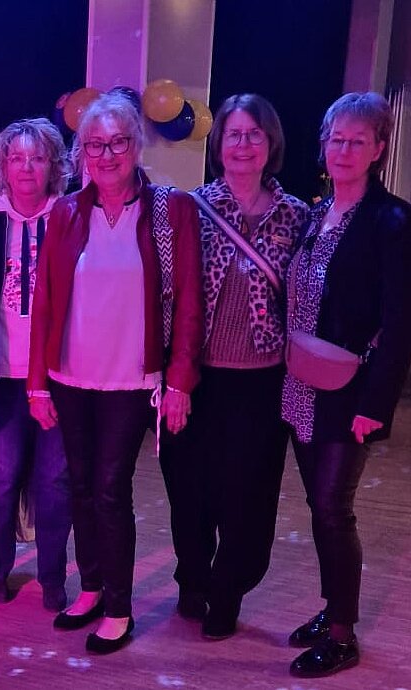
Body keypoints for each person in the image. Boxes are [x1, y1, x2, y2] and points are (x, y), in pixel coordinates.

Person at [28, 92, 204, 654]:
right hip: (70, 376)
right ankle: (92, 586)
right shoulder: (65, 212)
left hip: (132, 380)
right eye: (95, 145)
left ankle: (119, 608)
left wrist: (180, 381)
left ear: (137, 145)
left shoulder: (170, 210)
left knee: (108, 489)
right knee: (80, 487)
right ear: (81, 153)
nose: (106, 155)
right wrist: (37, 382)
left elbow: (190, 301)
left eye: (118, 143)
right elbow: (44, 301)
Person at [158, 94, 309, 639]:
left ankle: (227, 591)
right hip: (196, 378)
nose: (243, 145)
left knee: (248, 496)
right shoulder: (191, 209)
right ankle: (193, 579)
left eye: (254, 134)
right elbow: (167, 294)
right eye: (233, 134)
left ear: (271, 143)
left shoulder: (297, 216)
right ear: (218, 143)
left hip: (264, 382)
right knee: (189, 489)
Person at [283, 92, 411, 678]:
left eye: (358, 141)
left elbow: (401, 323)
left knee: (334, 509)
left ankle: (342, 636)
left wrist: (375, 405)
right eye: (336, 139)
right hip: (304, 384)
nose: (344, 150)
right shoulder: (316, 214)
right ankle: (333, 607)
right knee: (320, 505)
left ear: (379, 149)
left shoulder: (393, 222)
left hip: (351, 391)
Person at [0, 118, 72, 612]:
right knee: (0, 479)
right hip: (2, 374)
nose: (27, 168)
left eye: (37, 158)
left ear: (52, 166)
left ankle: (52, 577)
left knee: (54, 483)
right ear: (4, 166)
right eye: (17, 158)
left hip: (57, 376)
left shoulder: (71, 218)